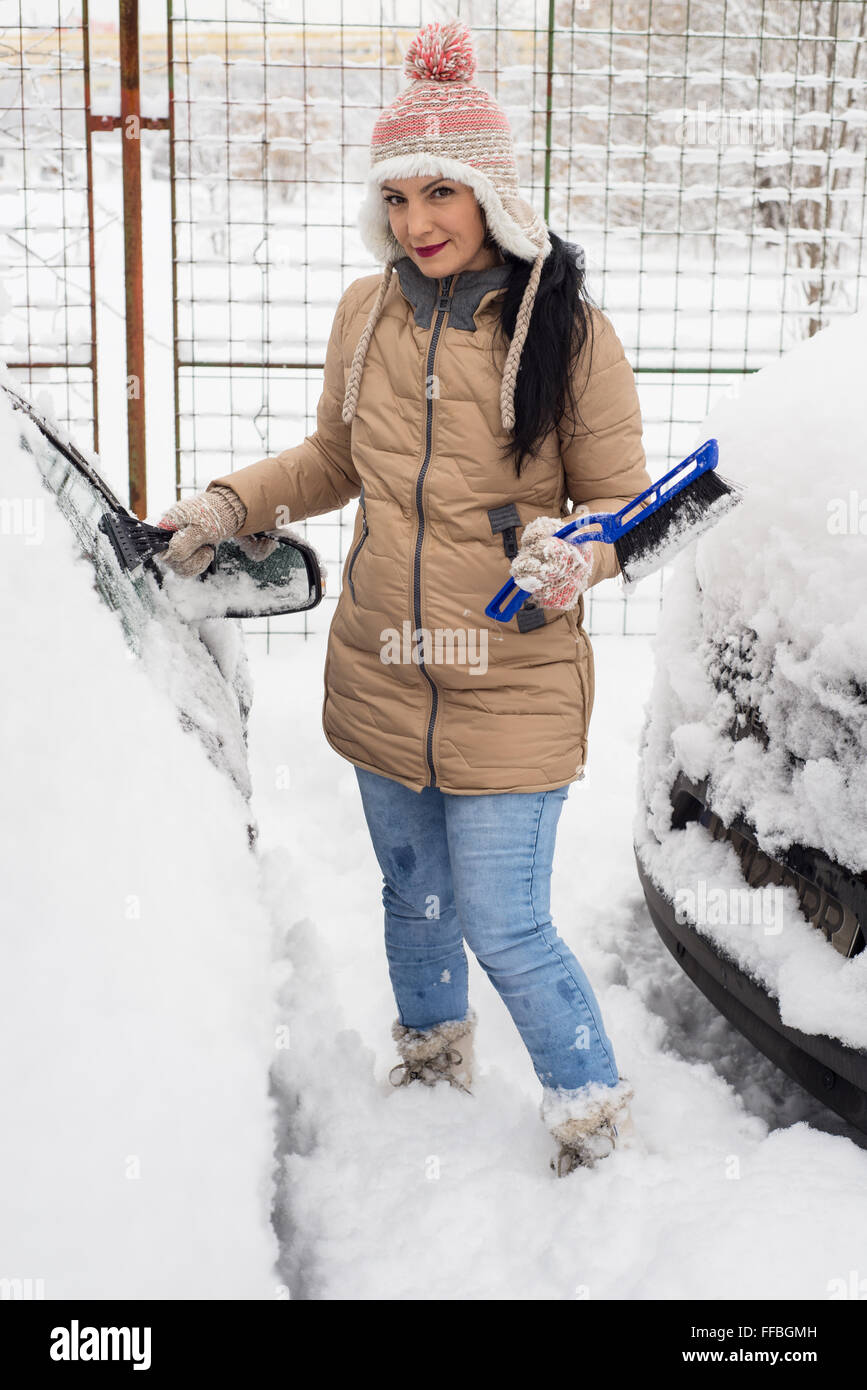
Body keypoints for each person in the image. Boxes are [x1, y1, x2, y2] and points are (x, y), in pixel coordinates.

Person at [157, 19, 653, 1177]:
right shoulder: (366, 312)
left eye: (445, 191)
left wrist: (580, 554)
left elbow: (627, 508)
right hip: (384, 665)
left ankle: (591, 1113)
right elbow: (338, 460)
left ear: (491, 197)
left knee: (507, 921)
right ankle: (432, 1056)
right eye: (398, 193)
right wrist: (234, 505)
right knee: (415, 893)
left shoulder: (567, 332)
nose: (419, 219)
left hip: (511, 679)